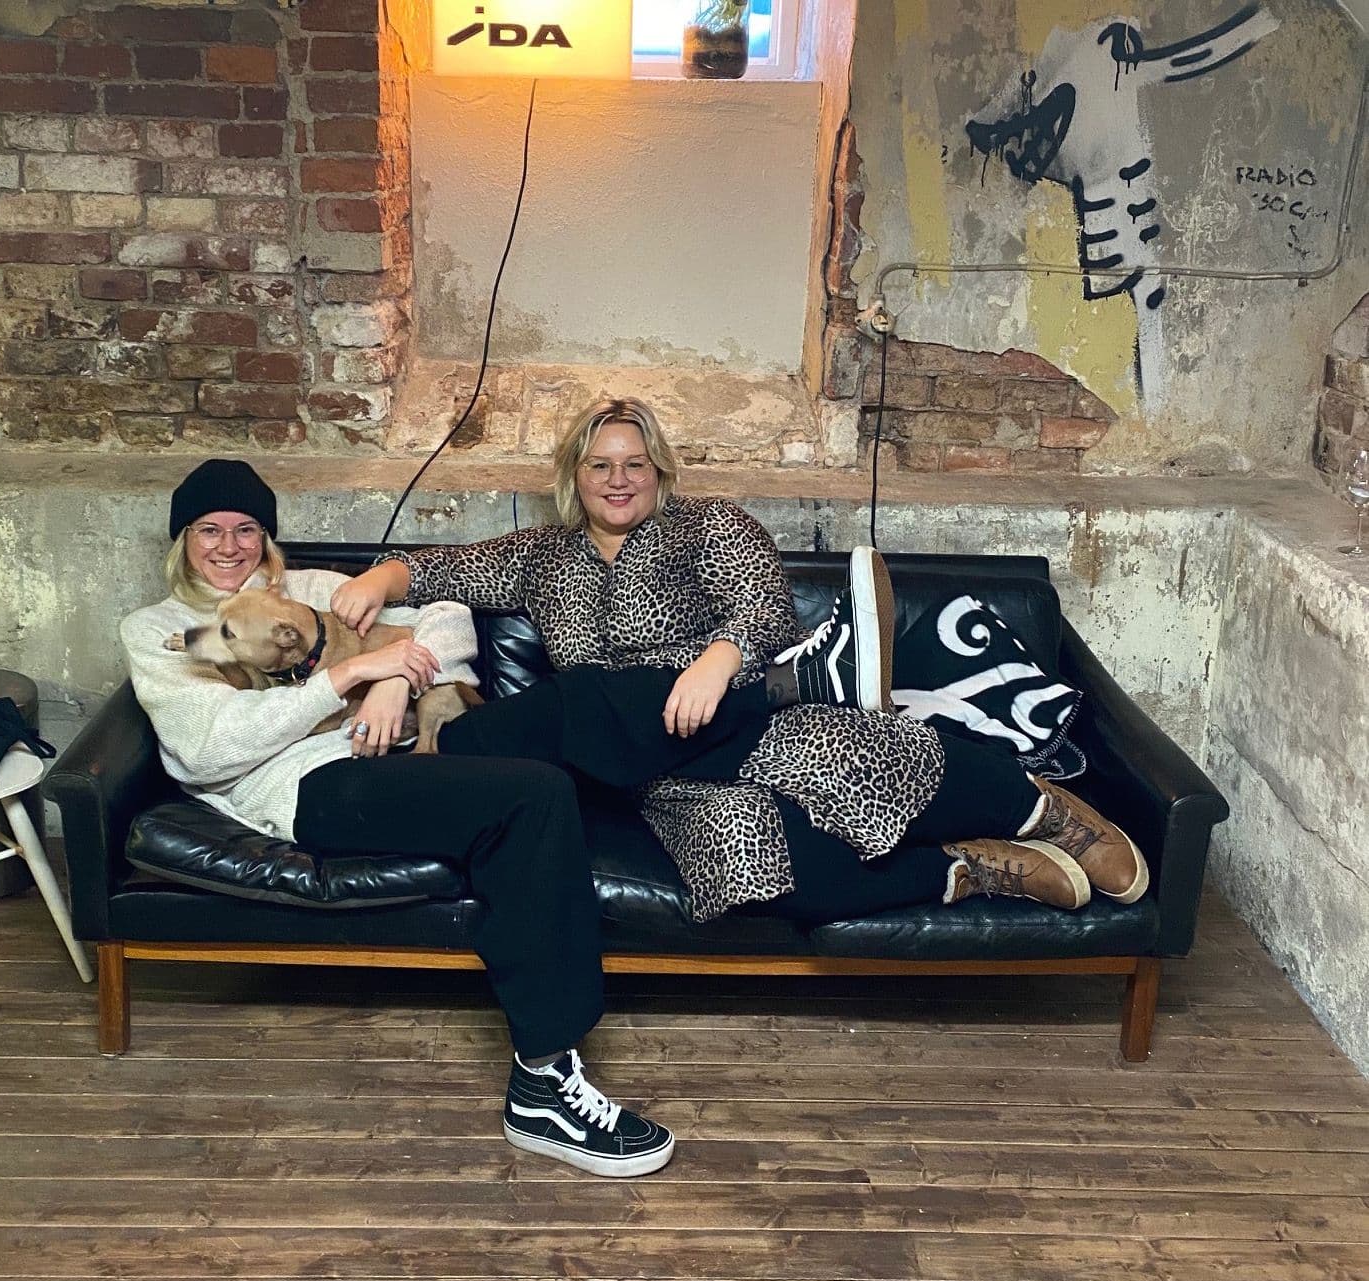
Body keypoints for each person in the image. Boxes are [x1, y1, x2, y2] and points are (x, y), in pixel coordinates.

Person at [331, 398, 1149, 926]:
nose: (618, 479)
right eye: (599, 464)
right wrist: (380, 579)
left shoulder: (709, 527)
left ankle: (1050, 815)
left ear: (659, 472)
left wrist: (717, 661)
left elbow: (763, 606)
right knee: (776, 875)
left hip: (738, 719)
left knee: (854, 756)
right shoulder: (540, 556)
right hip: (650, 773)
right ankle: (969, 868)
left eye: (634, 463)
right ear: (573, 476)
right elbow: (441, 569)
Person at [120, 458, 676, 1179]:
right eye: (208, 530)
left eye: (246, 529)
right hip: (310, 783)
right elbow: (205, 751)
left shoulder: (312, 592)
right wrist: (349, 676)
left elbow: (447, 615)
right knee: (534, 796)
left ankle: (734, 717)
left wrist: (397, 680)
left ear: (267, 537)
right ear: (181, 540)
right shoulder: (160, 631)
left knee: (566, 732)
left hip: (407, 746)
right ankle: (544, 1084)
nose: (229, 547)